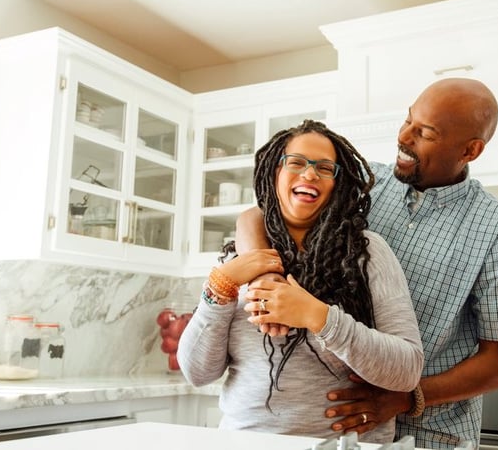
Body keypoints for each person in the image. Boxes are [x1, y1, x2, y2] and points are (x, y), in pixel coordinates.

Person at [236, 78, 498, 449]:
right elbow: (258, 214)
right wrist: (266, 280)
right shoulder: (365, 183)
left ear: (470, 150)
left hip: (433, 434)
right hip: (344, 430)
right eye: (407, 120)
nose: (404, 137)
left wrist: (406, 397)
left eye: (425, 132)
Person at [177, 119, 424, 444]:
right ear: (274, 173)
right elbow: (197, 373)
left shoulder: (367, 252)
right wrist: (219, 288)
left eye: (325, 168)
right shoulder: (237, 259)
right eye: (296, 163)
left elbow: (407, 370)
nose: (309, 174)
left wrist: (317, 317)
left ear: (338, 183)